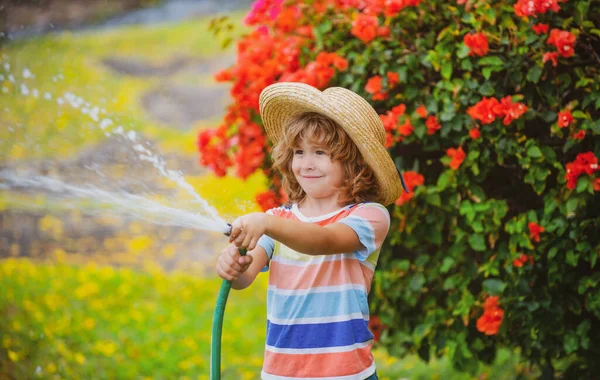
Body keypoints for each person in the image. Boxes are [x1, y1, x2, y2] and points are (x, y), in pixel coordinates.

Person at [216, 82, 408, 380]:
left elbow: (324, 240)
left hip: (345, 374)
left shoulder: (368, 216)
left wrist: (266, 224)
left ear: (355, 162)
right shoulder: (278, 219)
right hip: (282, 373)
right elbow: (245, 276)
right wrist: (233, 265)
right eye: (298, 152)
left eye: (320, 152)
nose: (306, 163)